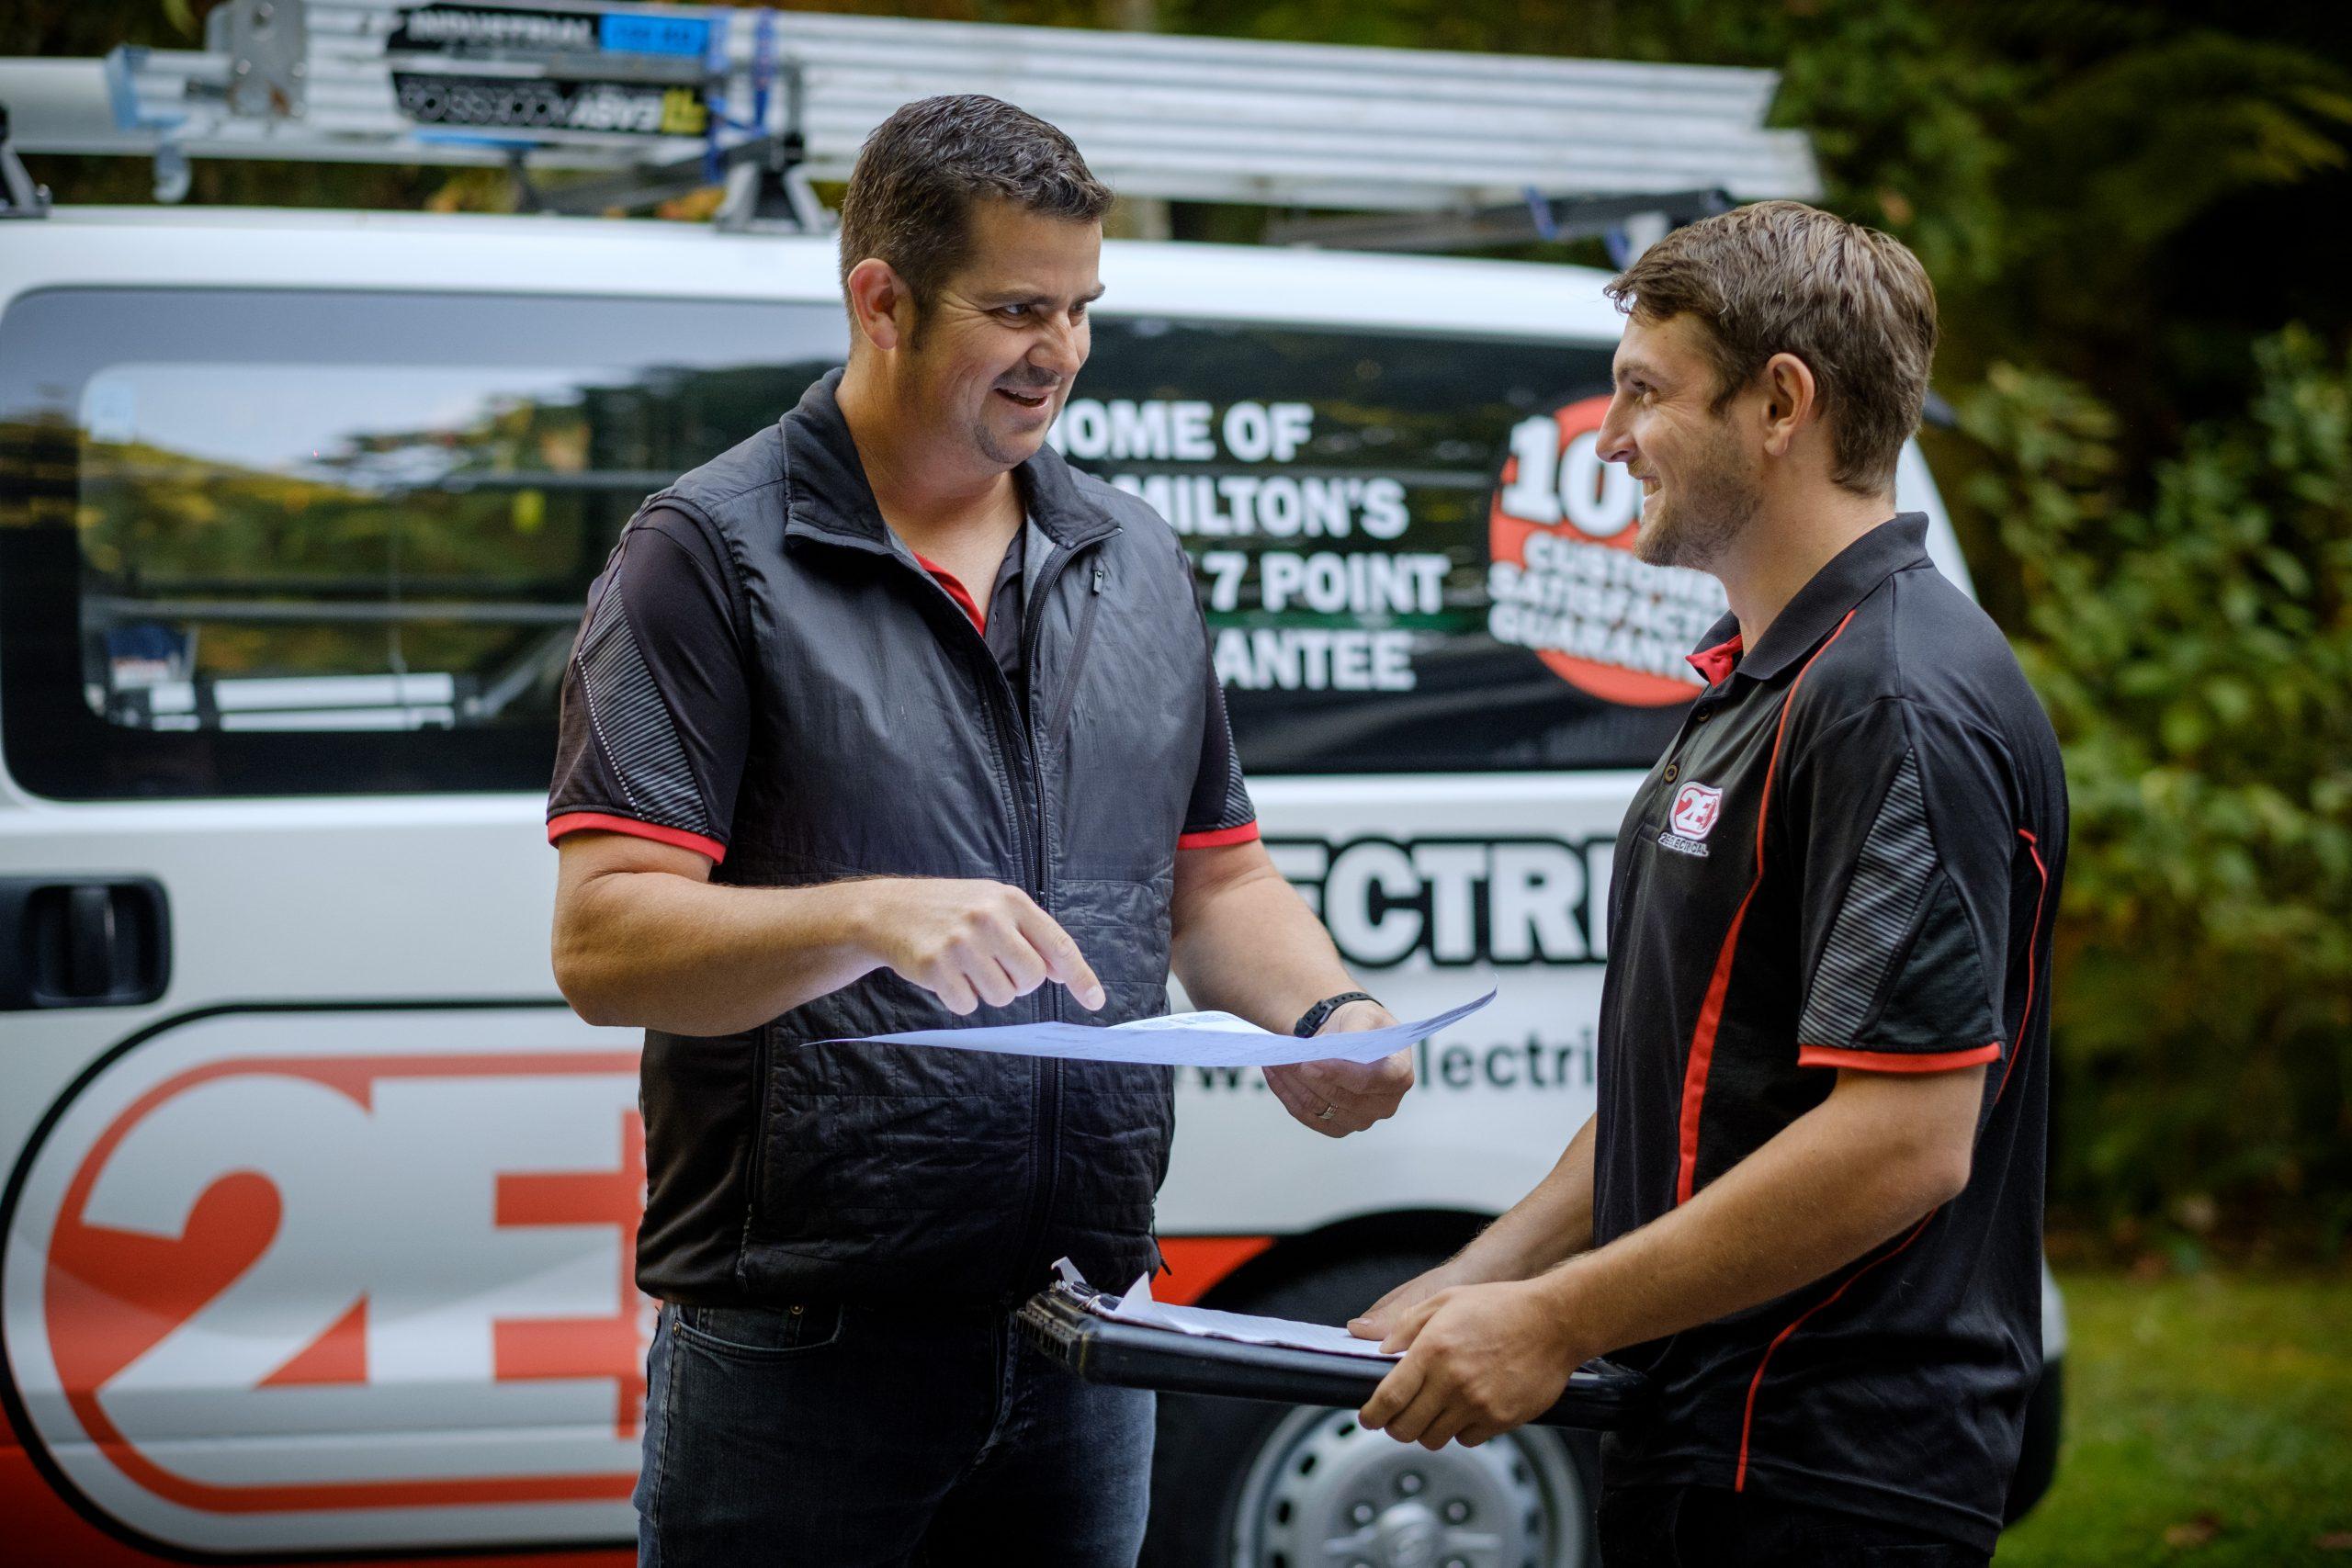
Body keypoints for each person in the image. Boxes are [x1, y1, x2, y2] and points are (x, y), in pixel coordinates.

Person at [546, 95, 1413, 1568]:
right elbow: (603, 940)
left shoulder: (1132, 556)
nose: (1059, 350)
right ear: (880, 300)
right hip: (805, 1350)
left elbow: (1218, 884)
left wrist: (1326, 1016)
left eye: (1081, 309)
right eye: (1016, 309)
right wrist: (862, 915)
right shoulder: (705, 554)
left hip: (1093, 1332)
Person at [1350, 201, 2067, 1568]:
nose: (1608, 441)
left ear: (1781, 404)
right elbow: (1691, 1087)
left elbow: (1905, 1141)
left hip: (1823, 1467)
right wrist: (1482, 1277)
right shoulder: (1773, 675)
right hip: (1705, 1435)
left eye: (1645, 393)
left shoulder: (1893, 699)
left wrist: (1560, 1319)